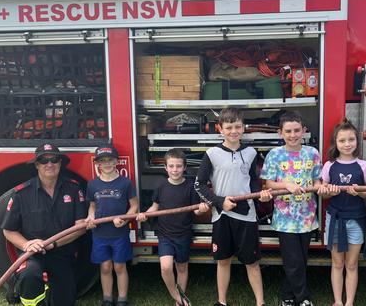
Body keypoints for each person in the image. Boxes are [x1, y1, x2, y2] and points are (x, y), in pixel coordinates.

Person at [194, 107, 272, 306]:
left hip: (246, 215)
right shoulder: (211, 154)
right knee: (223, 260)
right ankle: (221, 301)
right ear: (220, 129)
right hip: (222, 215)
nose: (233, 131)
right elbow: (199, 184)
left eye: (237, 126)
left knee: (252, 262)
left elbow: (254, 181)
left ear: (243, 128)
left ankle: (260, 302)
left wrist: (259, 197)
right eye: (228, 127)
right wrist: (220, 202)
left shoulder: (251, 152)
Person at [1, 143, 87, 306]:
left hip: (62, 254)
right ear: (36, 165)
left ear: (60, 163)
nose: (49, 164)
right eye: (43, 160)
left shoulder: (73, 189)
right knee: (29, 275)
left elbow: (81, 226)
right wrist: (26, 244)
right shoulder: (21, 193)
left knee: (65, 299)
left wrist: (53, 244)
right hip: (33, 255)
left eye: (54, 160)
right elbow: (9, 231)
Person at [260, 111, 327, 306]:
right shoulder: (275, 154)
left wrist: (320, 186)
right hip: (285, 218)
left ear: (304, 131)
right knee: (293, 261)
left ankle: (287, 297)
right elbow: (269, 184)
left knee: (299, 261)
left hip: (307, 217)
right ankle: (303, 298)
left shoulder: (312, 153)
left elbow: (316, 180)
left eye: (297, 130)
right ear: (281, 133)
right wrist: (286, 185)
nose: (293, 135)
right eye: (288, 131)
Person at [136, 148, 210, 306]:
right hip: (165, 234)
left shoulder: (190, 186)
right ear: (165, 168)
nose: (175, 170)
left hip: (183, 234)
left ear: (184, 167)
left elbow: (196, 209)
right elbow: (154, 207)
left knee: (182, 268)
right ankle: (176, 295)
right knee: (166, 267)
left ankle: (181, 297)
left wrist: (202, 209)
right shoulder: (161, 187)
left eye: (178, 166)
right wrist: (144, 215)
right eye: (171, 166)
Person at [320, 119, 366, 306]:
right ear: (335, 143)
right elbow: (323, 190)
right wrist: (329, 191)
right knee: (337, 263)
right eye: (342, 140)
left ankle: (349, 301)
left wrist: (360, 192)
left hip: (356, 220)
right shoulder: (329, 165)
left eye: (351, 139)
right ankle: (337, 301)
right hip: (335, 219)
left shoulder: (364, 166)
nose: (347, 144)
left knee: (352, 264)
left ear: (356, 142)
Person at [85, 144, 139, 306]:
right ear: (97, 164)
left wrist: (124, 219)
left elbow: (134, 206)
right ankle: (107, 298)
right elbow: (93, 206)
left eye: (110, 160)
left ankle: (122, 299)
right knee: (105, 267)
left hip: (119, 234)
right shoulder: (93, 184)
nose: (107, 163)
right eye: (103, 161)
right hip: (100, 235)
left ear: (116, 161)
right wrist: (90, 218)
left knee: (119, 266)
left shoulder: (125, 183)